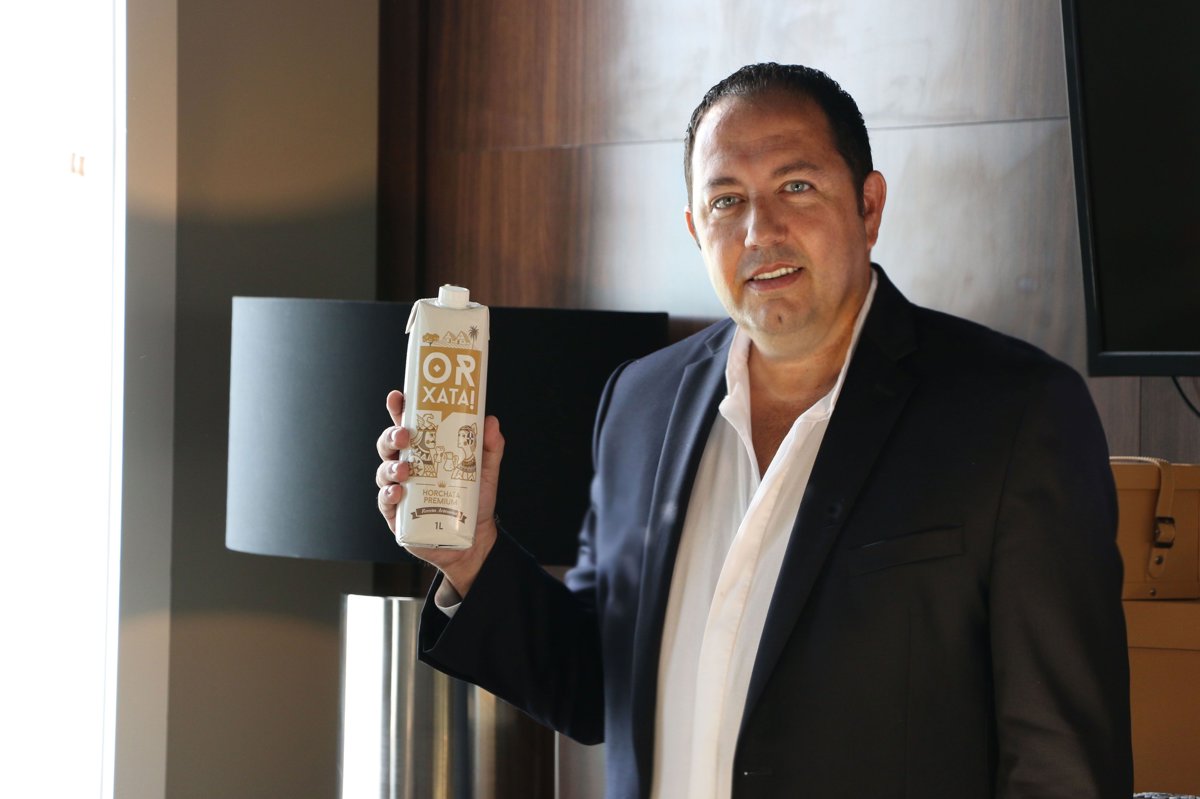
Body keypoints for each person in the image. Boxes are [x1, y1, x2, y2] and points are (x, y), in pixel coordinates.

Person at [375, 63, 1132, 798]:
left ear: (869, 205)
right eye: (726, 200)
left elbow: (1061, 763)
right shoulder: (640, 402)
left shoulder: (1013, 413)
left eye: (796, 186)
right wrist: (472, 555)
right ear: (694, 228)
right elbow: (594, 682)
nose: (760, 229)